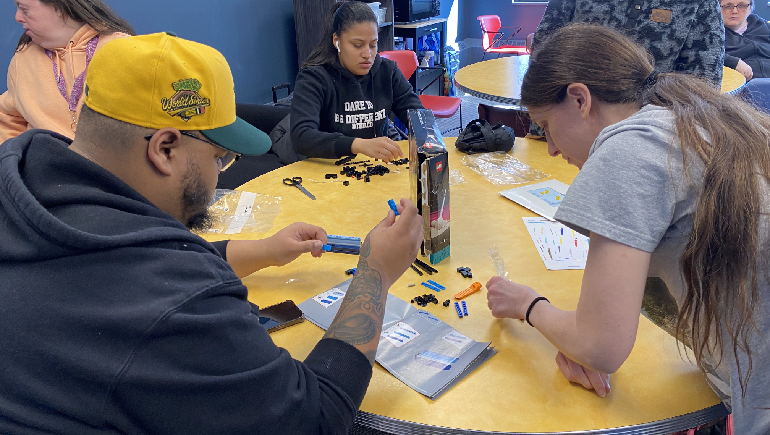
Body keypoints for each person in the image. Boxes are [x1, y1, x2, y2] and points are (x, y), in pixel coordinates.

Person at [0, 32, 424, 434]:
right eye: (221, 158)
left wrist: (263, 250)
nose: (221, 170)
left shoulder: (23, 179)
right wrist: (375, 273)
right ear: (164, 149)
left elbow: (139, 259)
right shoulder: (170, 305)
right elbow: (314, 417)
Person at [487, 23, 769, 433]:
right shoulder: (691, 118)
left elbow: (601, 345)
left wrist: (530, 306)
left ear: (580, 99)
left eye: (546, 126)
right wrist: (581, 336)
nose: (549, 148)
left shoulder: (627, 149)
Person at [288, 1, 424, 162]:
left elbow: (416, 114)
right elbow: (301, 136)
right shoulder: (314, 78)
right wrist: (358, 145)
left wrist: (425, 135)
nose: (367, 54)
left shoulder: (388, 71)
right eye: (357, 45)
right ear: (336, 41)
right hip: (327, 169)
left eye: (373, 45)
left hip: (375, 166)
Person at [0, 0, 134, 142]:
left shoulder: (124, 51)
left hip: (104, 162)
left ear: (58, 7)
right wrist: (12, 160)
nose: (17, 17)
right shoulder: (24, 58)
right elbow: (7, 117)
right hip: (43, 161)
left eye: (24, 9)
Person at [721, 0, 770, 80]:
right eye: (728, 6)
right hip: (740, 85)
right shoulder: (709, 33)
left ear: (750, 8)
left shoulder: (765, 27)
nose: (734, 11)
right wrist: (732, 62)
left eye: (741, 6)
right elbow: (700, 54)